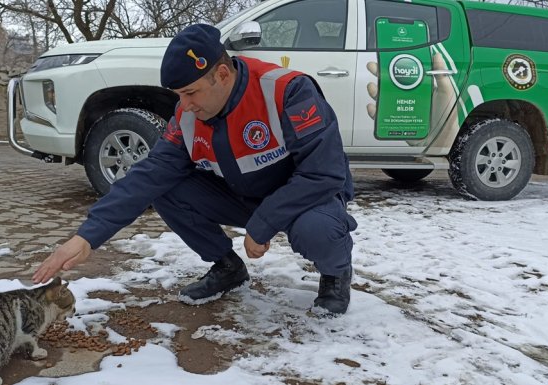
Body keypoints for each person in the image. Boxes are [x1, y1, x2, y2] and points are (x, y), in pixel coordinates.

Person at [32, 24, 357, 316]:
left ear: (223, 76)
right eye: (178, 96)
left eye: (190, 93)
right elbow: (151, 173)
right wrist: (87, 237)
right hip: (243, 194)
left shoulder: (286, 90)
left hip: (305, 199)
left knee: (319, 230)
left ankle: (335, 274)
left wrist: (265, 222)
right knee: (165, 187)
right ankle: (227, 267)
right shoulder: (189, 114)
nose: (184, 105)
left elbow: (324, 174)